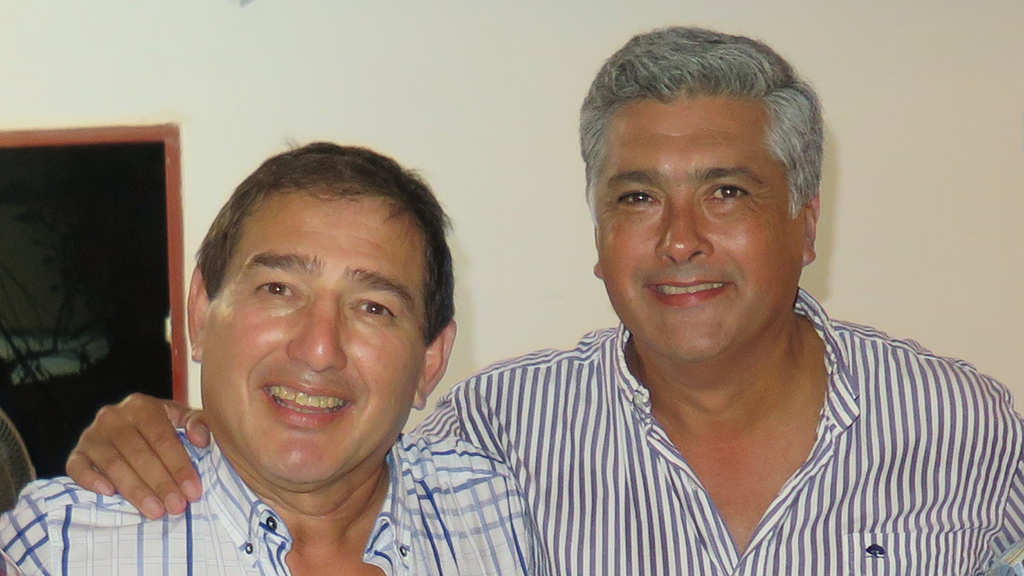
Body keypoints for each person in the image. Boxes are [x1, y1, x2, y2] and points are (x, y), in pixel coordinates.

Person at [60, 27, 1024, 574]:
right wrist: (162, 426)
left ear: (806, 223)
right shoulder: (496, 437)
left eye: (728, 192)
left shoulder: (967, 427)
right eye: (636, 198)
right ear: (599, 235)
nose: (680, 239)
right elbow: (317, 451)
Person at [0, 143, 546, 575]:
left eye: (373, 308)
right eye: (278, 289)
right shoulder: (60, 550)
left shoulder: (503, 515)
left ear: (430, 362)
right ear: (200, 313)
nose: (319, 348)